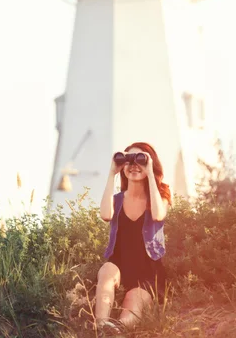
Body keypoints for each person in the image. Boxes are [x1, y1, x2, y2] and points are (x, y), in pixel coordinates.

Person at [95, 142, 172, 336]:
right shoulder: (117, 199)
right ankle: (101, 326)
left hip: (147, 271)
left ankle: (117, 330)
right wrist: (112, 172)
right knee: (106, 270)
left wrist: (150, 172)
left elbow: (157, 215)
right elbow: (105, 215)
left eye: (140, 159)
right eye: (128, 160)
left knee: (132, 304)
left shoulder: (159, 196)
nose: (134, 165)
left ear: (150, 165)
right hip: (119, 265)